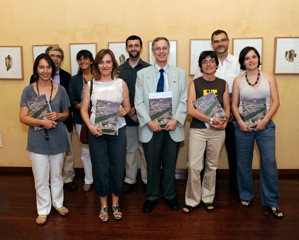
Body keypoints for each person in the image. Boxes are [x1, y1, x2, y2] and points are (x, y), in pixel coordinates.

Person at [135, 37, 187, 213]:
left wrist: (175, 120)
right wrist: (148, 122)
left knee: (170, 164)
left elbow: (184, 100)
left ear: (169, 50)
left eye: (164, 48)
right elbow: (138, 101)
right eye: (157, 48)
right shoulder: (142, 74)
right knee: (152, 164)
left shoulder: (180, 73)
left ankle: (170, 195)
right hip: (151, 127)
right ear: (152, 51)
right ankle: (151, 196)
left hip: (173, 127)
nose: (161, 51)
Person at [231, 47, 283, 219]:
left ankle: (272, 201)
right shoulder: (238, 80)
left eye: (254, 57)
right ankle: (246, 195)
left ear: (258, 59)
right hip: (243, 128)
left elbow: (276, 102)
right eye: (247, 58)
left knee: (269, 163)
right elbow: (234, 105)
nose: (251, 60)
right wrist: (239, 122)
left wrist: (265, 121)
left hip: (265, 127)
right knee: (243, 164)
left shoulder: (269, 77)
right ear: (242, 62)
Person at [20, 54, 70, 225]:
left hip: (58, 139)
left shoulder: (61, 89)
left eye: (48, 67)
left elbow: (67, 114)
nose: (45, 71)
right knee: (40, 178)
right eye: (41, 67)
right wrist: (42, 122)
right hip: (37, 140)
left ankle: (58, 203)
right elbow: (23, 117)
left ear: (53, 69)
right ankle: (43, 210)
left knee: (57, 175)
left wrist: (59, 115)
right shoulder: (28, 90)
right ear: (36, 69)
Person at [80, 49, 130, 222]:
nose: (105, 65)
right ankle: (103, 205)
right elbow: (83, 109)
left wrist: (124, 111)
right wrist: (90, 127)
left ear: (113, 64)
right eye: (101, 62)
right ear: (97, 65)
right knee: (100, 169)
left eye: (108, 62)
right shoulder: (91, 85)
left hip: (118, 132)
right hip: (97, 133)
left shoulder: (121, 83)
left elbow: (128, 107)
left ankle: (115, 203)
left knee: (117, 168)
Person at [183, 51, 230, 213]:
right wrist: (210, 120)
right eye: (205, 61)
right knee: (194, 167)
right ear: (200, 65)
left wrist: (224, 123)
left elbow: (227, 108)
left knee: (212, 166)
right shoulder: (194, 84)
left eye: (212, 61)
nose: (208, 64)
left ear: (216, 64)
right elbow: (190, 109)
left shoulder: (223, 83)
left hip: (218, 131)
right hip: (198, 130)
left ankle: (208, 198)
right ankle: (192, 200)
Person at [194, 30, 241, 190]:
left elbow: (242, 87)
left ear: (228, 41)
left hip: (232, 115)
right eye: (216, 41)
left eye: (222, 40)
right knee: (209, 153)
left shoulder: (237, 62)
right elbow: (197, 91)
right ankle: (207, 187)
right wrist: (208, 117)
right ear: (212, 44)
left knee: (234, 152)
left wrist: (230, 116)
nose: (219, 43)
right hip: (208, 117)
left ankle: (235, 185)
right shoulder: (205, 64)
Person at [30, 46, 77, 190]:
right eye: (53, 55)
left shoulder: (67, 76)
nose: (55, 58)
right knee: (44, 157)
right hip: (41, 124)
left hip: (62, 122)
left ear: (61, 59)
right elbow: (32, 102)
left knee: (66, 152)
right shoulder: (34, 79)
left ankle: (67, 179)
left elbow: (68, 100)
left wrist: (61, 115)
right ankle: (50, 181)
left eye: (58, 56)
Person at [119, 35, 150, 192]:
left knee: (145, 149)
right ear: (126, 49)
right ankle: (130, 179)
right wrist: (129, 112)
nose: (133, 48)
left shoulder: (148, 68)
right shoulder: (119, 71)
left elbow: (151, 94)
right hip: (126, 118)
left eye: (136, 45)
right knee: (130, 149)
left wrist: (138, 112)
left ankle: (146, 179)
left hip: (145, 118)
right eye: (130, 46)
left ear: (141, 48)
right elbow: (117, 94)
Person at [68, 50, 94, 192]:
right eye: (80, 59)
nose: (83, 61)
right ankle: (88, 179)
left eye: (86, 58)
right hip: (80, 119)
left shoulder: (99, 77)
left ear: (91, 61)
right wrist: (84, 109)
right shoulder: (74, 80)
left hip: (99, 118)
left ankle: (101, 178)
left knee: (100, 149)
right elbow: (72, 100)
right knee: (85, 150)